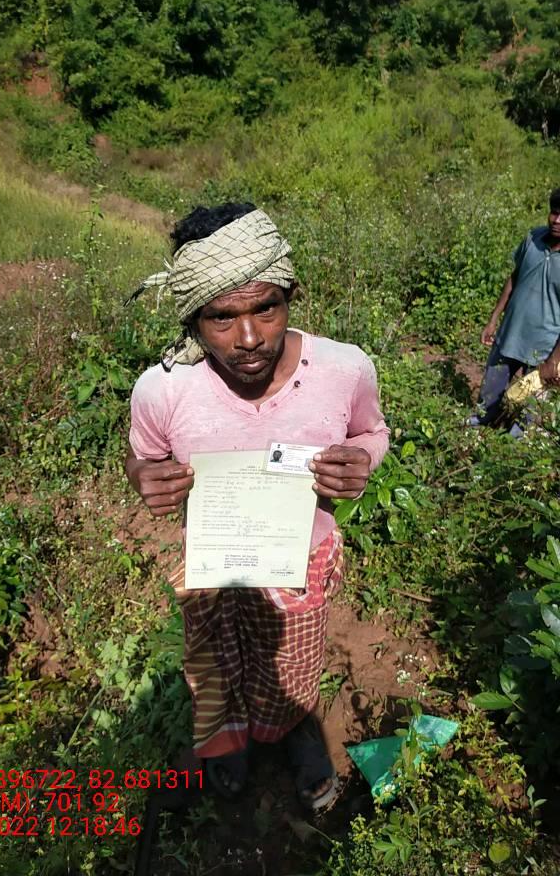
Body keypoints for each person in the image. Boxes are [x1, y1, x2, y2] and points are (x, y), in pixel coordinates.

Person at [125, 203, 389, 810]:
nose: (248, 339)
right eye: (221, 317)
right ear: (193, 319)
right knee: (216, 666)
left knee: (294, 668)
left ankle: (296, 730)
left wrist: (362, 459)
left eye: (266, 309)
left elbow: (371, 432)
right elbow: (142, 456)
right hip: (214, 565)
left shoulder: (343, 370)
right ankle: (230, 745)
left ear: (290, 296)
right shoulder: (164, 389)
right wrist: (144, 477)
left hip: (300, 563)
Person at [470, 189, 560, 433]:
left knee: (530, 416)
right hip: (510, 334)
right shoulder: (534, 238)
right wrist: (493, 319)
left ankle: (516, 447)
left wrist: (554, 360)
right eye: (554, 213)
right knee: (487, 402)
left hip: (543, 349)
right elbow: (515, 277)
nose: (557, 221)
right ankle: (479, 431)